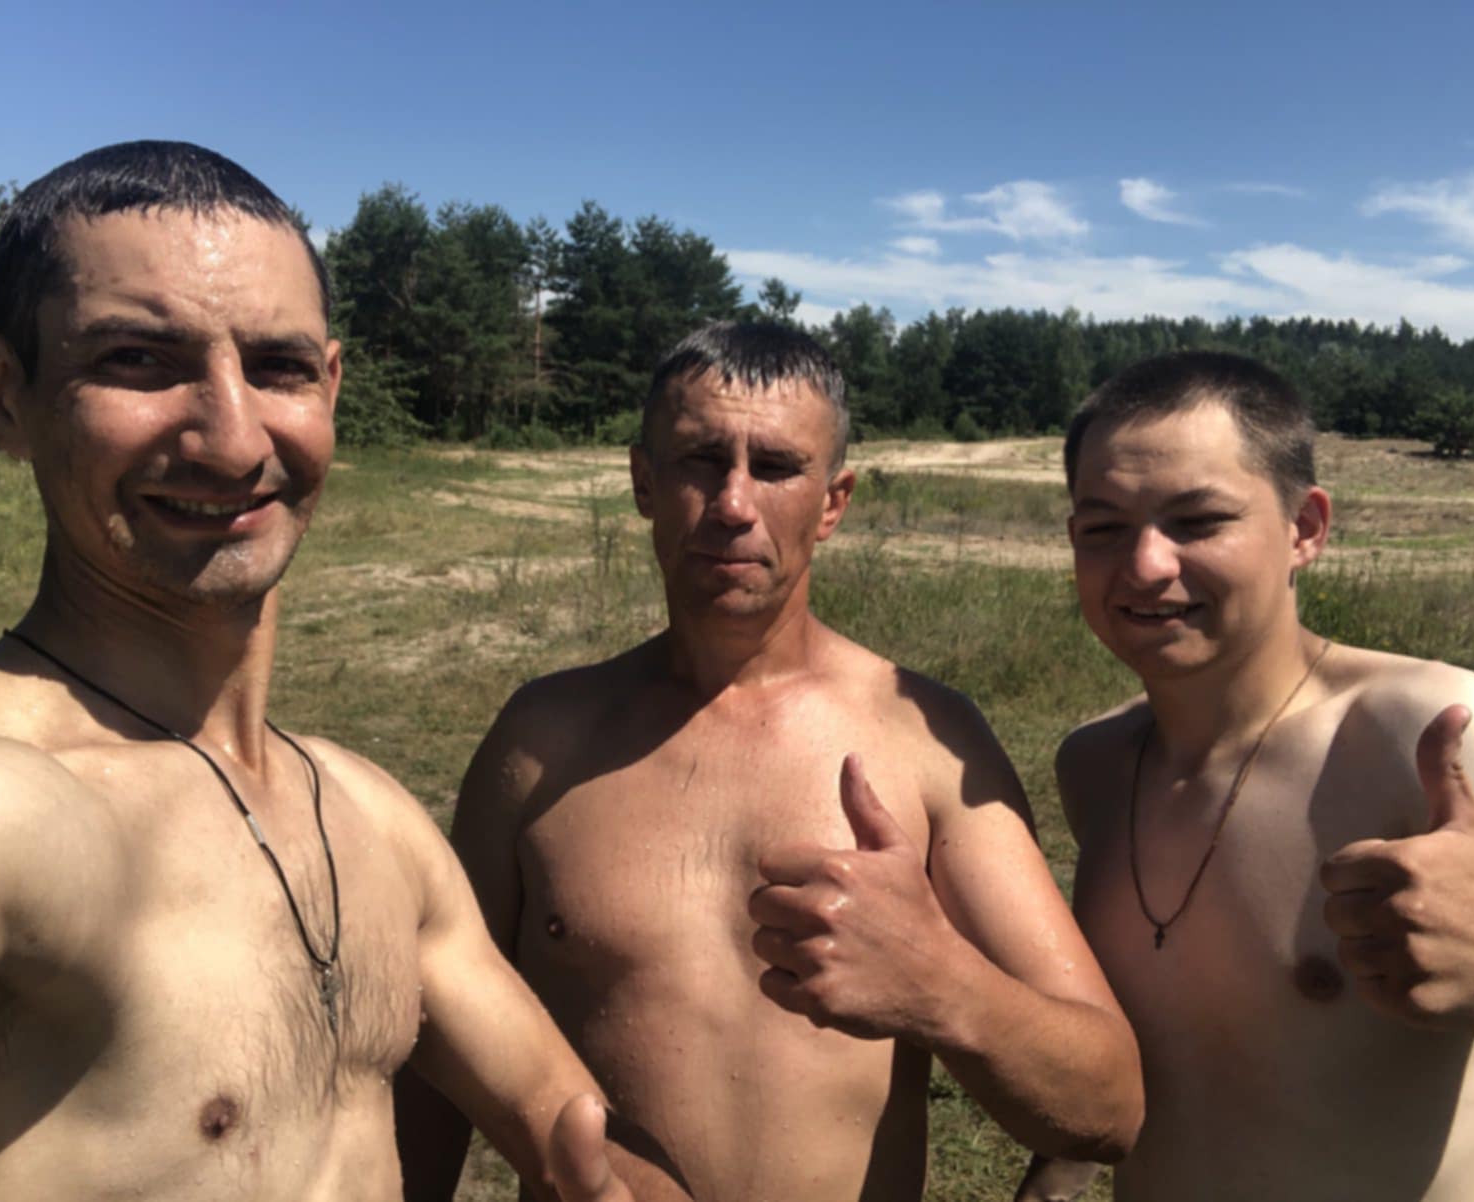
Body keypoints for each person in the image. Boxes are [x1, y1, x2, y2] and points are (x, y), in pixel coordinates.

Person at [0, 140, 676, 1202]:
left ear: (331, 386)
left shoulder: (371, 817)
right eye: (137, 359)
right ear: (2, 389)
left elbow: (571, 1132)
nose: (233, 441)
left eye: (277, 368)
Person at [444, 322, 1143, 1202]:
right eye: (702, 460)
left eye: (776, 467)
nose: (734, 503)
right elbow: (436, 1049)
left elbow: (1107, 1105)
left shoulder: (925, 738)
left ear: (833, 502)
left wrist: (940, 984)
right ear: (643, 481)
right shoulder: (539, 743)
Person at [1019, 350, 1474, 1201]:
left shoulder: (1437, 738)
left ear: (1304, 528)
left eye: (1198, 520)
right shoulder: (1094, 765)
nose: (1145, 565)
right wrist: (1051, 1184)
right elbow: (1153, 1053)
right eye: (1103, 528)